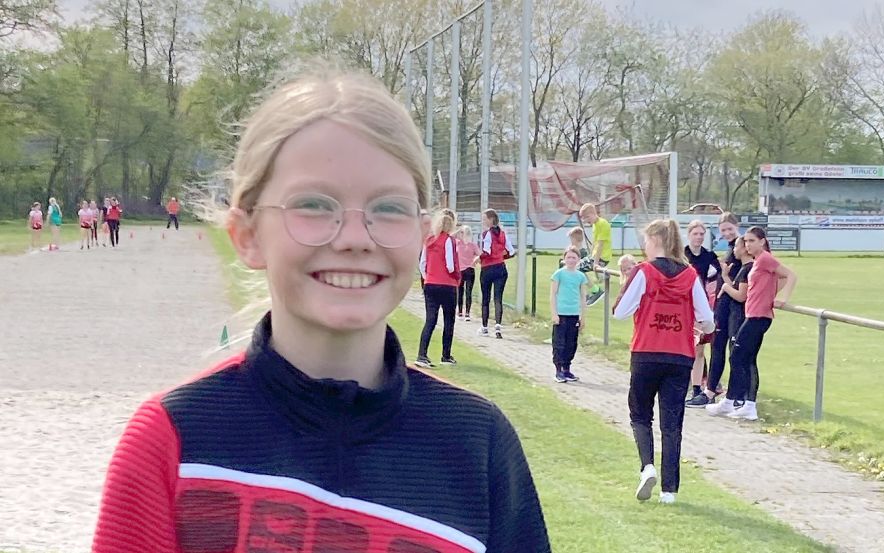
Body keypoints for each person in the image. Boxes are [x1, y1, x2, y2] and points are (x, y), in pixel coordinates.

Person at [92, 67, 550, 552]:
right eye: (313, 204)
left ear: (421, 232)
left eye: (389, 208)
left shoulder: (478, 444)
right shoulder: (173, 441)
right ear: (247, 235)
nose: (354, 238)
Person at [613, 219, 714, 504]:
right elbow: (708, 319)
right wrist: (699, 329)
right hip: (680, 356)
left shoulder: (644, 272)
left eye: (646, 240)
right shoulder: (691, 275)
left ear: (655, 240)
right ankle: (669, 491)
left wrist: (632, 292)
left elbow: (619, 311)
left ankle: (647, 466)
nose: (644, 246)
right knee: (672, 423)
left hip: (647, 351)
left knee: (640, 414)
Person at [707, 227, 798, 421]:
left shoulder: (765, 259)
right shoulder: (758, 262)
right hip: (753, 314)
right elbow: (773, 281)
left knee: (738, 357)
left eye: (751, 241)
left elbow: (789, 275)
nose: (748, 245)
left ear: (762, 241)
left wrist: (782, 297)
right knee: (745, 359)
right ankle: (743, 404)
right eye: (746, 241)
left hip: (758, 316)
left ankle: (737, 402)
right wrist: (770, 293)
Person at [693, 212, 741, 407]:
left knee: (733, 351)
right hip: (722, 305)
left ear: (737, 226)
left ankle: (730, 394)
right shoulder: (731, 250)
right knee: (718, 347)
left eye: (730, 229)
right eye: (723, 230)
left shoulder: (741, 248)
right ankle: (712, 390)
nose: (727, 233)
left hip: (733, 306)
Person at [416, 209, 461, 368]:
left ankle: (422, 354)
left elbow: (422, 264)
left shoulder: (428, 241)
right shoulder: (448, 240)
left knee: (430, 319)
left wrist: (428, 276)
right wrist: (456, 275)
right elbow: (450, 264)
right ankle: (445, 355)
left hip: (430, 283)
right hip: (447, 285)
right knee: (449, 320)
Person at [683, 220, 721, 403]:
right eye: (695, 234)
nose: (698, 237)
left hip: (701, 307)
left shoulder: (709, 257)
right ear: (689, 235)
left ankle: (697, 388)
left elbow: (713, 284)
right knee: (685, 349)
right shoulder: (682, 256)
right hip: (683, 307)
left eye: (701, 234)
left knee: (699, 350)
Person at [550, 246, 589, 383]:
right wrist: (554, 314)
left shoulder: (580, 276)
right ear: (564, 259)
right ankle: (558, 369)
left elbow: (583, 297)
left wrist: (583, 316)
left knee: (571, 343)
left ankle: (567, 368)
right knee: (559, 342)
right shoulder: (559, 274)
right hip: (561, 313)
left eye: (574, 257)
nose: (571, 260)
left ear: (578, 259)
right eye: (569, 257)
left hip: (574, 314)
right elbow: (553, 294)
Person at [478, 208, 515, 339]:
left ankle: (484, 327)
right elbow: (511, 252)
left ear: (490, 220)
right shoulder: (503, 234)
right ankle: (498, 327)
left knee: (486, 298)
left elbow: (487, 251)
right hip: (501, 268)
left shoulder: (487, 234)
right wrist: (501, 257)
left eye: (484, 219)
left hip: (488, 268)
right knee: (498, 298)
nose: (483, 221)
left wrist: (478, 258)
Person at [579, 203, 611, 306]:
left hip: (602, 257)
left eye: (587, 217)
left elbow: (601, 245)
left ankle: (596, 291)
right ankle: (593, 290)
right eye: (584, 219)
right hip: (595, 256)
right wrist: (590, 257)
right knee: (575, 268)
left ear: (594, 213)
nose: (586, 221)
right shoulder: (595, 225)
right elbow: (595, 243)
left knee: (577, 269)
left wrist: (595, 263)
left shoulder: (603, 224)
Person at [456, 225, 480, 321]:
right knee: (464, 291)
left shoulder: (460, 244)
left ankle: (464, 312)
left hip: (465, 270)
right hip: (466, 270)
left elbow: (480, 255)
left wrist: (475, 260)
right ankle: (464, 312)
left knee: (464, 291)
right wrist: (476, 260)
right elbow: (480, 255)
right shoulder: (469, 244)